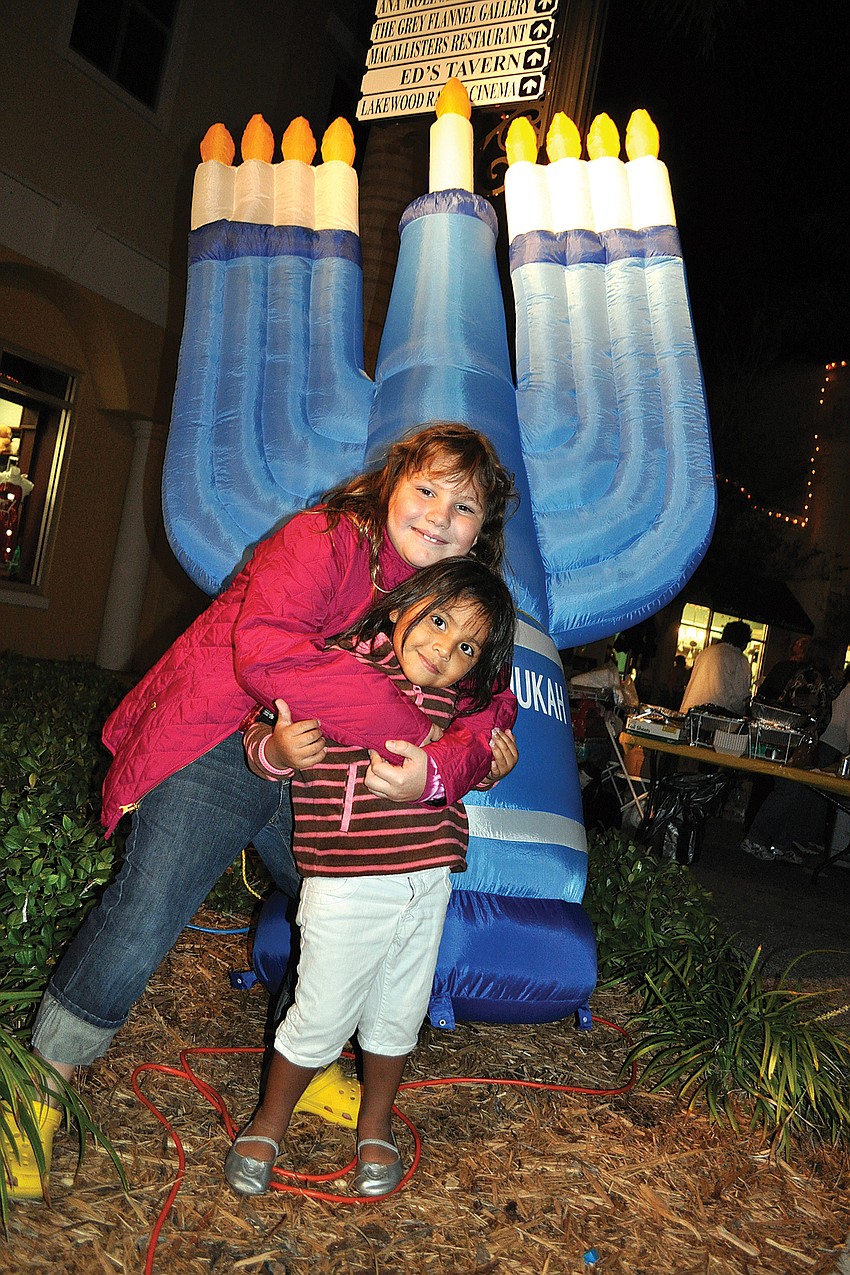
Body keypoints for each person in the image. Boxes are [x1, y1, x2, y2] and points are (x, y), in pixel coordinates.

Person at [5, 422, 518, 1201]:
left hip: (336, 777)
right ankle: (41, 1086)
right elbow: (268, 651)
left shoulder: (464, 594)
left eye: (465, 507)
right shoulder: (323, 538)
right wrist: (414, 731)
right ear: (392, 483)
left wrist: (445, 767)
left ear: (483, 528)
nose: (440, 517)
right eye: (427, 490)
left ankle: (308, 1057)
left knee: (350, 914)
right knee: (150, 904)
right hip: (226, 737)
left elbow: (489, 712)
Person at [225, 558, 517, 1197]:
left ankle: (375, 1123)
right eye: (438, 622)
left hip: (429, 878)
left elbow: (463, 767)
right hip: (349, 878)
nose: (444, 649)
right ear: (400, 607)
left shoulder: (457, 706)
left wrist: (490, 768)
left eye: (467, 647)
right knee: (321, 1011)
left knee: (400, 1010)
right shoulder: (342, 670)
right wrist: (277, 751)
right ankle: (269, 1122)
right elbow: (261, 724)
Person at [679, 621, 753, 716]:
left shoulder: (705, 652)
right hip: (714, 717)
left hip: (689, 710)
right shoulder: (739, 658)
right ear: (744, 642)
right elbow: (740, 697)